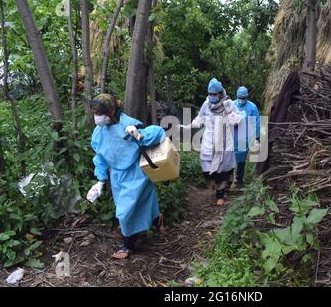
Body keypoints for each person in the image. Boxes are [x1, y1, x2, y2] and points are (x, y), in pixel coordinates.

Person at [87, 94, 165, 259]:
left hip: (135, 173)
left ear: (111, 111)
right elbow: (100, 157)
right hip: (117, 176)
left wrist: (138, 135)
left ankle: (127, 245)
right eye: (96, 112)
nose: (98, 117)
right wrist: (100, 181)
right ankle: (155, 220)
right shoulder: (99, 132)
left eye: (101, 112)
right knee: (138, 205)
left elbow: (157, 132)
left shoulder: (127, 124)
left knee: (125, 211)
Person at [181, 78, 242, 206]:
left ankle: (220, 195)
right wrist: (189, 126)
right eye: (209, 94)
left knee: (222, 169)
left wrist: (230, 112)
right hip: (209, 139)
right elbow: (200, 118)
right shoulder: (206, 104)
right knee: (206, 164)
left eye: (214, 94)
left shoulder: (228, 103)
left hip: (224, 140)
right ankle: (212, 184)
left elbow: (237, 120)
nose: (211, 96)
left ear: (220, 93)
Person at [233, 86, 261, 189]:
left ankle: (239, 180)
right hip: (232, 136)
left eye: (243, 98)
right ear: (237, 96)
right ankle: (227, 181)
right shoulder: (232, 105)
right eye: (239, 97)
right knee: (229, 159)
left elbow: (257, 123)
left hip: (244, 138)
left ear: (247, 97)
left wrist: (257, 137)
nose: (241, 100)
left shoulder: (252, 107)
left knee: (241, 160)